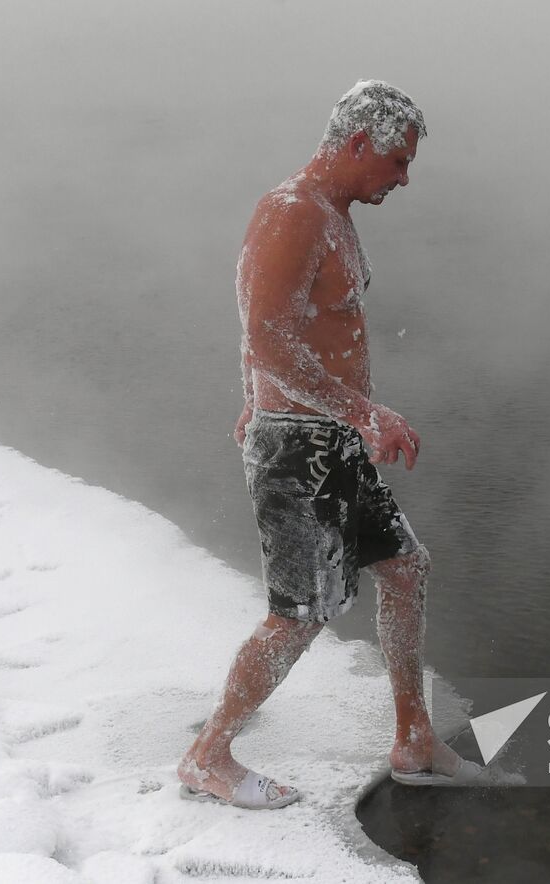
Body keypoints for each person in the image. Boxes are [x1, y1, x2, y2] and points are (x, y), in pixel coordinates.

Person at [177, 80, 480, 809]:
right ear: (355, 144)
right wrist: (363, 412)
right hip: (299, 447)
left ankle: (412, 737)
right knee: (299, 613)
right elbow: (267, 334)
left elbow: (267, 321)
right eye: (398, 161)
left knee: (404, 568)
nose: (404, 178)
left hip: (327, 436)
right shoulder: (291, 213)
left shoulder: (331, 212)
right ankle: (208, 756)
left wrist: (260, 401)